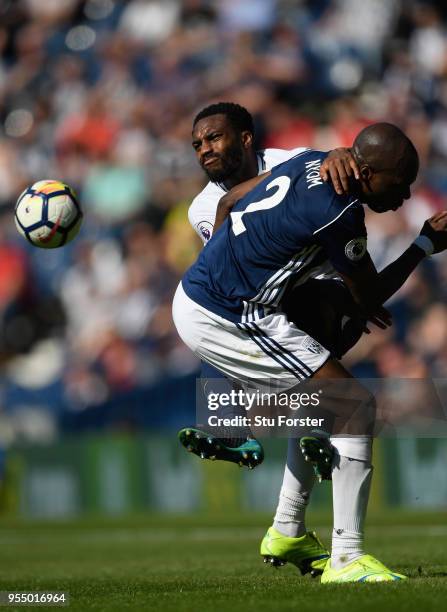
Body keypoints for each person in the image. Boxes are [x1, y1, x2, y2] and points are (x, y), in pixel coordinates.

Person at [173, 122, 447, 582]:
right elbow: (370, 297)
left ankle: (287, 529)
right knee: (354, 406)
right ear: (366, 171)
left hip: (215, 298)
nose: (402, 196)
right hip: (226, 313)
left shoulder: (305, 162)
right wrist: (423, 244)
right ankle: (346, 558)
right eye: (397, 184)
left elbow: (229, 200)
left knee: (326, 398)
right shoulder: (339, 213)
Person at [179, 101, 364, 471]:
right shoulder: (203, 206)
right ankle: (233, 429)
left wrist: (339, 155)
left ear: (245, 138)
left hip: (324, 281)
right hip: (274, 295)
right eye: (197, 145)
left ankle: (289, 432)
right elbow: (229, 266)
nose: (205, 149)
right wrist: (303, 171)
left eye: (214, 138)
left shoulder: (289, 157)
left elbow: (332, 166)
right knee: (216, 316)